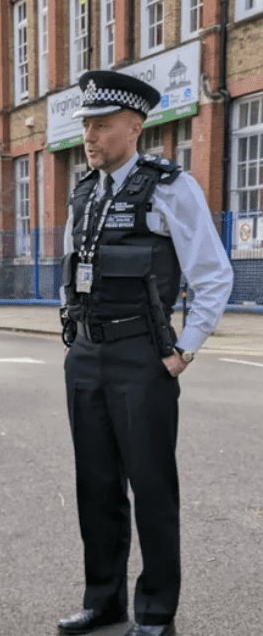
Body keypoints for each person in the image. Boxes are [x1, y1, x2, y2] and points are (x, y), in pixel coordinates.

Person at [58, 70, 234, 636]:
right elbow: (72, 267)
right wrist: (72, 328)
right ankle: (103, 601)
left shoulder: (171, 188)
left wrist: (184, 350)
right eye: (86, 124)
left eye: (102, 125)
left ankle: (156, 612)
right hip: (87, 356)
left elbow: (213, 275)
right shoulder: (83, 190)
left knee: (152, 486)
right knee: (96, 486)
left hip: (142, 356)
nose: (89, 135)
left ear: (134, 127)